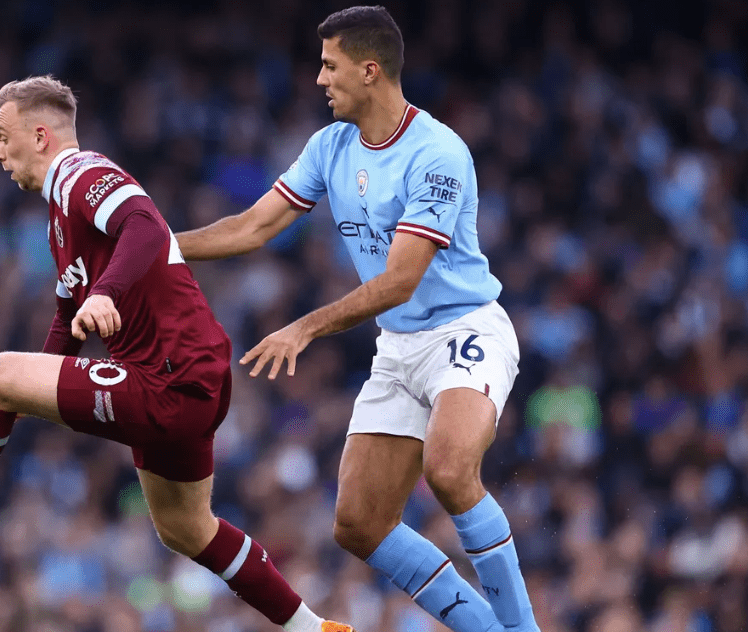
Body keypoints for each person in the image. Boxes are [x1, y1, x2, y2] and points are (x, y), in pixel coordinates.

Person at [0, 75, 354, 632]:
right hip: (186, 378)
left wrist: (104, 296)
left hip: (167, 373)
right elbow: (66, 324)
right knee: (186, 529)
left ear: (40, 135)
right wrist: (22, 400)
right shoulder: (60, 220)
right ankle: (314, 628)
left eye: (1, 135)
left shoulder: (81, 172)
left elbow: (144, 225)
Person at [175, 7, 539, 632]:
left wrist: (305, 326)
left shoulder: (438, 153)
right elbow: (253, 226)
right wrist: (156, 248)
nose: (319, 79)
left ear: (369, 71)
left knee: (449, 470)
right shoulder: (331, 145)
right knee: (359, 524)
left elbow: (401, 280)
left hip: (464, 330)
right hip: (399, 345)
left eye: (329, 65)